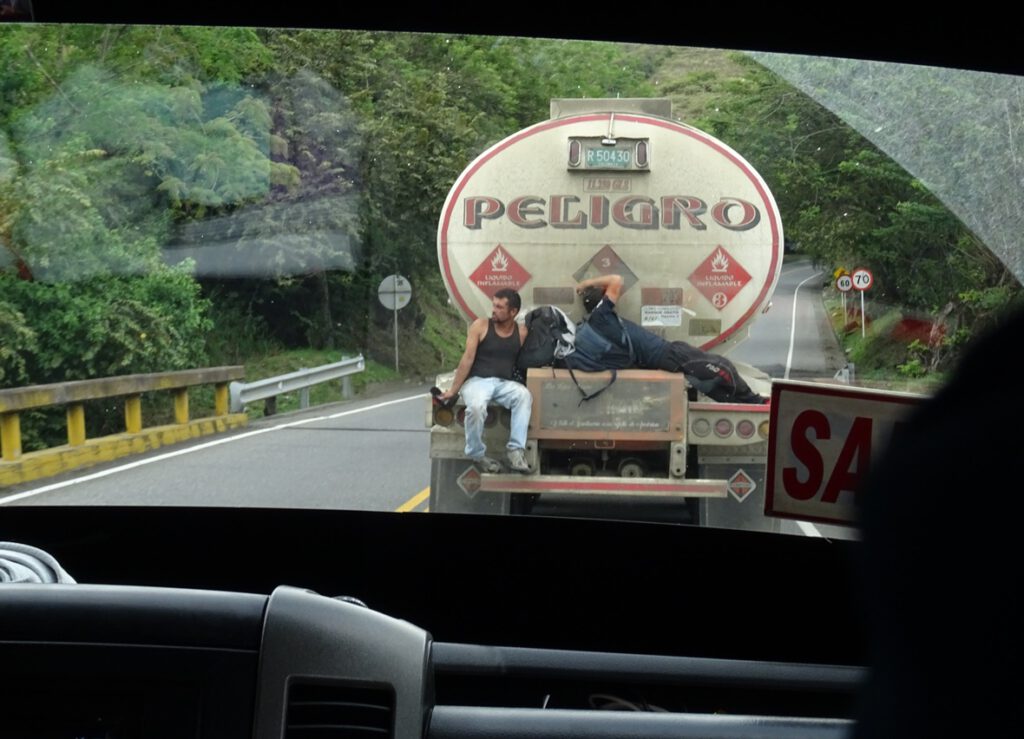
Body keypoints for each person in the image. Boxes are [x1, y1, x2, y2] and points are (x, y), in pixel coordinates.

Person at [575, 274, 767, 404]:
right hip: (670, 354)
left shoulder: (593, 324)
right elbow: (616, 279)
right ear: (600, 301)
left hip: (664, 358)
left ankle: (744, 402)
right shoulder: (602, 314)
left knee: (709, 383)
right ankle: (758, 403)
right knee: (723, 367)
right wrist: (586, 284)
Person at [439, 288, 532, 473]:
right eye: (493, 305)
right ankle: (476, 454)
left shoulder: (521, 332)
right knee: (475, 407)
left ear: (513, 312)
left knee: (524, 396)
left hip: (504, 383)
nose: (494, 310)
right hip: (477, 381)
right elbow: (467, 359)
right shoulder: (480, 326)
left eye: (499, 307)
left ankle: (515, 451)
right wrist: (453, 390)